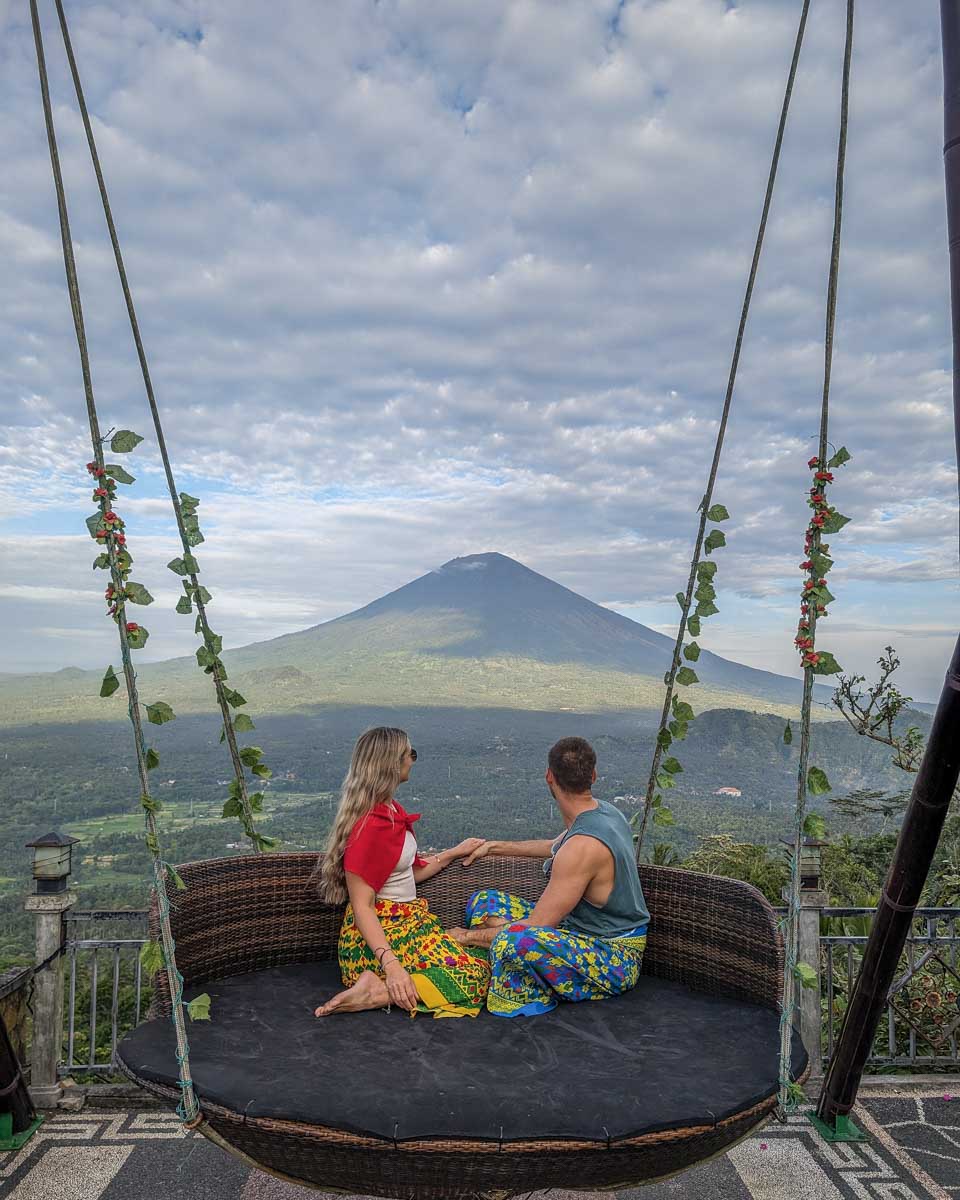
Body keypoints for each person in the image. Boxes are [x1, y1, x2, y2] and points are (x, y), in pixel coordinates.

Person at [446, 736, 650, 1018]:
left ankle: (507, 970)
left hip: (612, 957)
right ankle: (501, 950)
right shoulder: (604, 813)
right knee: (485, 901)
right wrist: (494, 846)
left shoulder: (582, 847)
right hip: (575, 930)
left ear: (549, 777)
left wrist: (465, 937)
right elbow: (554, 846)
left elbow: (538, 925)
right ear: (593, 775)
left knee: (513, 942)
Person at [314, 726, 491, 1018]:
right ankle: (378, 990)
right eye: (411, 754)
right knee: (474, 976)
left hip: (407, 926)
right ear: (392, 763)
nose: (413, 760)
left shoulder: (391, 811)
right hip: (382, 939)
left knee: (486, 958)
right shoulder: (370, 827)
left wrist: (452, 853)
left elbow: (406, 874)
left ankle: (378, 989)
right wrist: (391, 965)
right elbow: (362, 906)